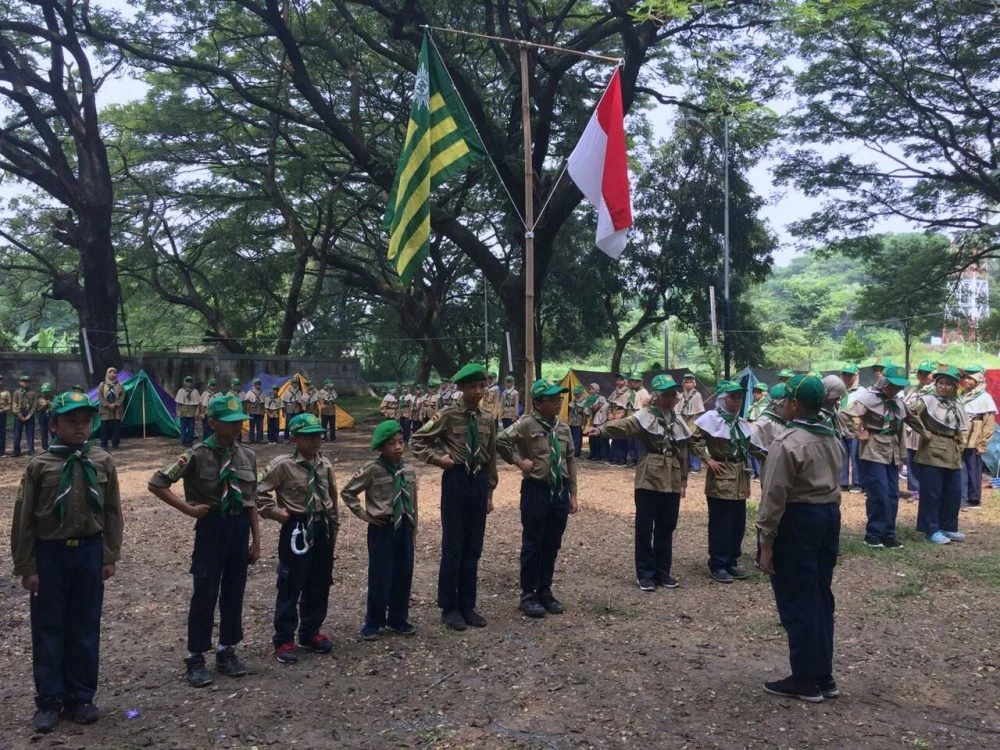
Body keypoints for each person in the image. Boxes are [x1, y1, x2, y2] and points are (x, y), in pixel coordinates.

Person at [11, 391, 123, 731]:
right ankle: (49, 700)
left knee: (85, 625)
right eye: (71, 421)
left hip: (89, 552)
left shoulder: (102, 461)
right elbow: (24, 518)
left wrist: (109, 555)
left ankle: (81, 696)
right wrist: (27, 566)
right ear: (54, 424)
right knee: (48, 628)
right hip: (50, 556)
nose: (79, 427)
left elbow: (112, 511)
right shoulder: (39, 466)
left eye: (85, 420)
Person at [147, 395, 261, 687]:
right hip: (211, 527)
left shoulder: (247, 455)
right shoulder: (195, 455)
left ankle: (227, 650)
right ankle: (195, 656)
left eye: (239, 422)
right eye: (230, 422)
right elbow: (158, 483)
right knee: (205, 592)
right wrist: (190, 510)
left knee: (234, 591)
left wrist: (256, 541)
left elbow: (251, 501)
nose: (236, 427)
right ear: (212, 423)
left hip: (238, 528)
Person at [757, 374, 844, 704]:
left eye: (787, 400)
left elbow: (774, 494)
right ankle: (824, 674)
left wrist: (766, 542)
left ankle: (805, 679)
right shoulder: (831, 435)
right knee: (820, 594)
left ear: (794, 403)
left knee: (797, 595)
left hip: (798, 519)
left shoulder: (788, 441)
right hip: (827, 517)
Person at [410, 363, 497, 632]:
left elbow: (491, 456)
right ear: (461, 388)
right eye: (473, 387)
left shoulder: (487, 419)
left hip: (478, 481)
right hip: (457, 479)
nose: (478, 391)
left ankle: (468, 604)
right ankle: (449, 607)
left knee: (474, 547)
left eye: (482, 386)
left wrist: (490, 492)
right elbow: (417, 441)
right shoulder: (447, 415)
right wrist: (438, 460)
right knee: (454, 545)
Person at [589, 374, 690, 591]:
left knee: (667, 524)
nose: (671, 398)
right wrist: (601, 430)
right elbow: (625, 426)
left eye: (674, 394)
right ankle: (645, 573)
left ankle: (663, 571)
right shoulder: (645, 416)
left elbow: (683, 451)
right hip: (649, 475)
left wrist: (684, 480)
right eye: (667, 394)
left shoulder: (678, 419)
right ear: (657, 396)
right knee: (645, 524)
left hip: (672, 477)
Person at [257, 413, 339, 663]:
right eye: (309, 436)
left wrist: (334, 527)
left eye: (318, 435)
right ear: (294, 438)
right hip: (297, 527)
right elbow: (257, 492)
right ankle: (284, 639)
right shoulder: (282, 465)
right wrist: (275, 513)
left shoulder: (324, 465)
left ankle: (310, 631)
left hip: (321, 524)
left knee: (320, 580)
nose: (315, 441)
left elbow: (332, 499)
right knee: (291, 582)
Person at [498, 379, 578, 617]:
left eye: (559, 399)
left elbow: (570, 460)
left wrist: (573, 493)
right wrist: (519, 461)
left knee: (553, 541)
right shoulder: (526, 424)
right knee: (533, 542)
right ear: (538, 403)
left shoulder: (562, 428)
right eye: (552, 400)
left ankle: (545, 590)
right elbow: (501, 440)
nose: (557, 403)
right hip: (536, 489)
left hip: (559, 489)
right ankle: (528, 594)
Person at [341, 419, 419, 640]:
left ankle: (398, 619)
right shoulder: (373, 470)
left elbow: (414, 501)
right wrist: (364, 515)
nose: (397, 447)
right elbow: (348, 492)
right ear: (381, 447)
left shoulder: (409, 470)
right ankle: (373, 622)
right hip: (382, 528)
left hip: (403, 526)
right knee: (380, 576)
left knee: (404, 573)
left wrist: (414, 529)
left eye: (400, 441)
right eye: (391, 443)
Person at [690, 380, 757, 583]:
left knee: (738, 521)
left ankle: (732, 560)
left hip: (739, 477)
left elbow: (749, 446)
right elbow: (693, 439)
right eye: (733, 397)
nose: (737, 401)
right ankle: (718, 563)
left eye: (739, 397)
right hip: (721, 475)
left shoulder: (739, 421)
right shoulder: (710, 419)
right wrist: (707, 459)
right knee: (721, 521)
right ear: (722, 398)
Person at [845, 364, 918, 549]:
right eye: (892, 385)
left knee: (892, 494)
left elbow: (902, 428)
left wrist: (902, 456)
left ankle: (889, 534)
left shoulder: (899, 403)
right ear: (884, 381)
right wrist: (858, 431)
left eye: (899, 386)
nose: (895, 389)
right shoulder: (868, 398)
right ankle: (873, 534)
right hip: (873, 450)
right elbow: (845, 415)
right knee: (878, 492)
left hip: (892, 452)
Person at [909, 366, 967, 544]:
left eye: (948, 384)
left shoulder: (956, 403)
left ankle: (948, 526)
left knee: (953, 491)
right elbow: (909, 413)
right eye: (940, 383)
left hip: (953, 451)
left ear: (955, 386)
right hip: (932, 450)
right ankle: (931, 528)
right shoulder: (928, 400)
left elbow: (959, 426)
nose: (943, 387)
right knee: (932, 492)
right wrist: (922, 430)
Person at [959, 367, 995, 510]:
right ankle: (961, 496)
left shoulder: (984, 397)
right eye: (964, 378)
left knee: (973, 468)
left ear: (978, 379)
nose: (966, 381)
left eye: (970, 378)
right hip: (961, 435)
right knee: (961, 467)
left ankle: (973, 498)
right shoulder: (962, 395)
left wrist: (983, 443)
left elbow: (989, 423)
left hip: (975, 437)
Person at [902, 362, 936, 502]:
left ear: (932, 375)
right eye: (920, 373)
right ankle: (915, 489)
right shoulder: (913, 389)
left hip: (925, 430)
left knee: (925, 460)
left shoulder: (935, 390)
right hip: (910, 430)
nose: (922, 376)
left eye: (925, 373)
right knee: (911, 459)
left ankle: (926, 489)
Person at [749, 384, 789, 476]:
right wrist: (766, 458)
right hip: (772, 468)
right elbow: (750, 440)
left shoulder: (786, 419)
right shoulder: (767, 420)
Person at [838, 364, 863, 493]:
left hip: (855, 428)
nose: (847, 377)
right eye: (844, 374)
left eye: (850, 375)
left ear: (856, 376)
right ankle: (842, 482)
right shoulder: (839, 390)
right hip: (840, 427)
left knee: (856, 456)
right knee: (842, 455)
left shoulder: (862, 391)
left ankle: (857, 482)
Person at [675, 373, 705, 472]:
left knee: (693, 443)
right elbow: (677, 410)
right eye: (686, 382)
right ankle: (685, 465)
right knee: (683, 443)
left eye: (690, 382)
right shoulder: (680, 396)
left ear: (693, 383)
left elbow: (699, 411)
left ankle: (695, 466)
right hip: (683, 421)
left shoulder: (697, 395)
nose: (688, 384)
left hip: (693, 421)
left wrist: (697, 425)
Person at [607, 373, 632, 466]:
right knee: (614, 438)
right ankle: (615, 457)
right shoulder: (615, 392)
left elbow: (628, 406)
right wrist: (609, 413)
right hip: (613, 417)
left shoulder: (629, 393)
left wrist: (621, 414)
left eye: (621, 380)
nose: (619, 382)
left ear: (626, 381)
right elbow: (610, 404)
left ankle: (622, 458)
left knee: (622, 439)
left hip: (622, 418)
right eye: (617, 380)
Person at [97, 368, 124, 452]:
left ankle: (115, 444)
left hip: (116, 409)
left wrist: (116, 404)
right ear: (107, 374)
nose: (112, 374)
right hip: (105, 409)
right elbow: (100, 396)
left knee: (116, 427)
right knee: (104, 427)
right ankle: (104, 444)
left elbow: (122, 395)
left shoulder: (119, 384)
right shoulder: (102, 384)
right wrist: (107, 405)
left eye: (114, 373)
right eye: (110, 373)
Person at [12, 374, 39, 457]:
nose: (25, 383)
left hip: (29, 414)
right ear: (20, 382)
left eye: (27, 382)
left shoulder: (33, 393)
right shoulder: (16, 392)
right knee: (17, 433)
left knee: (30, 433)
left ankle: (31, 450)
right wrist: (20, 415)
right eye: (23, 381)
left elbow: (35, 405)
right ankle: (16, 451)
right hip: (19, 414)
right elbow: (14, 404)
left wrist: (29, 415)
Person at [586, 383, 609, 461]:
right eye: (590, 389)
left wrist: (594, 406)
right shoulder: (589, 398)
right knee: (592, 438)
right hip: (593, 420)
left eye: (593, 389)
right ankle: (593, 453)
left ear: (597, 390)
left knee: (600, 439)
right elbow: (589, 410)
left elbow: (602, 407)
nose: (591, 390)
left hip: (601, 420)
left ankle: (601, 455)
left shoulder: (601, 398)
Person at [175, 376, 201, 447]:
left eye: (190, 381)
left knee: (191, 428)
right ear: (184, 382)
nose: (189, 383)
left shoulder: (195, 391)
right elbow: (178, 403)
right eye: (187, 381)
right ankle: (183, 441)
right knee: (183, 428)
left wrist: (197, 413)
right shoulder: (181, 391)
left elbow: (198, 404)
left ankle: (190, 441)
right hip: (183, 412)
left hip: (192, 413)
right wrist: (178, 412)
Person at [567, 385, 589, 458]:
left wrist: (583, 424)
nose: (576, 395)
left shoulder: (584, 402)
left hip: (578, 422)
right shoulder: (573, 401)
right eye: (575, 394)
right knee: (571, 437)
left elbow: (585, 414)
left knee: (577, 438)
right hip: (572, 421)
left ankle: (577, 452)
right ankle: (571, 450)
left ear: (581, 393)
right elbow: (570, 411)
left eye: (577, 393)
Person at [244, 379, 265, 445]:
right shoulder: (250, 392)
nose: (258, 385)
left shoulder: (262, 393)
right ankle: (251, 440)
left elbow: (264, 403)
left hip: (260, 412)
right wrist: (247, 411)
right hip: (252, 411)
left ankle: (258, 440)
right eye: (257, 384)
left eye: (259, 384)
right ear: (254, 384)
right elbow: (247, 402)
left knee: (259, 427)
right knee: (252, 426)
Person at [36, 383, 54, 451]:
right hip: (42, 415)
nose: (46, 393)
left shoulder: (53, 399)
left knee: (53, 431)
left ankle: (54, 445)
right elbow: (37, 410)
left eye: (47, 392)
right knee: (43, 432)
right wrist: (43, 406)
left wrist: (51, 404)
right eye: (44, 392)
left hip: (51, 415)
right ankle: (45, 447)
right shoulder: (39, 400)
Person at [0, 374, 10, 456]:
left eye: (1, 380)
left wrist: (2, 410)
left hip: (2, 414)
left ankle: (2, 451)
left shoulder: (6, 393)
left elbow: (9, 405)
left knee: (2, 433)